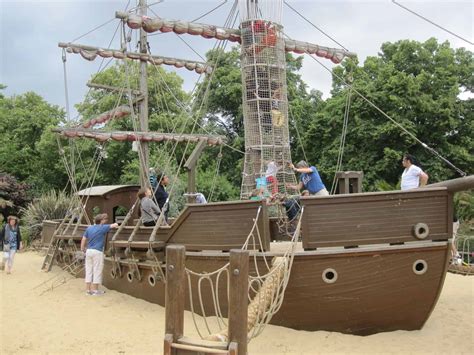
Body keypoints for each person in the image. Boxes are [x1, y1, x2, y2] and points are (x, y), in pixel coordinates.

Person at [80, 213, 118, 295]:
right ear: (101, 221)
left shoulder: (89, 228)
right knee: (97, 270)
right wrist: (116, 224)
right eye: (104, 220)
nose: (105, 221)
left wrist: (82, 249)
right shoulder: (103, 228)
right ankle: (95, 290)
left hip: (89, 251)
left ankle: (87, 290)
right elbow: (114, 225)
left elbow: (83, 239)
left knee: (88, 270)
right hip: (97, 252)